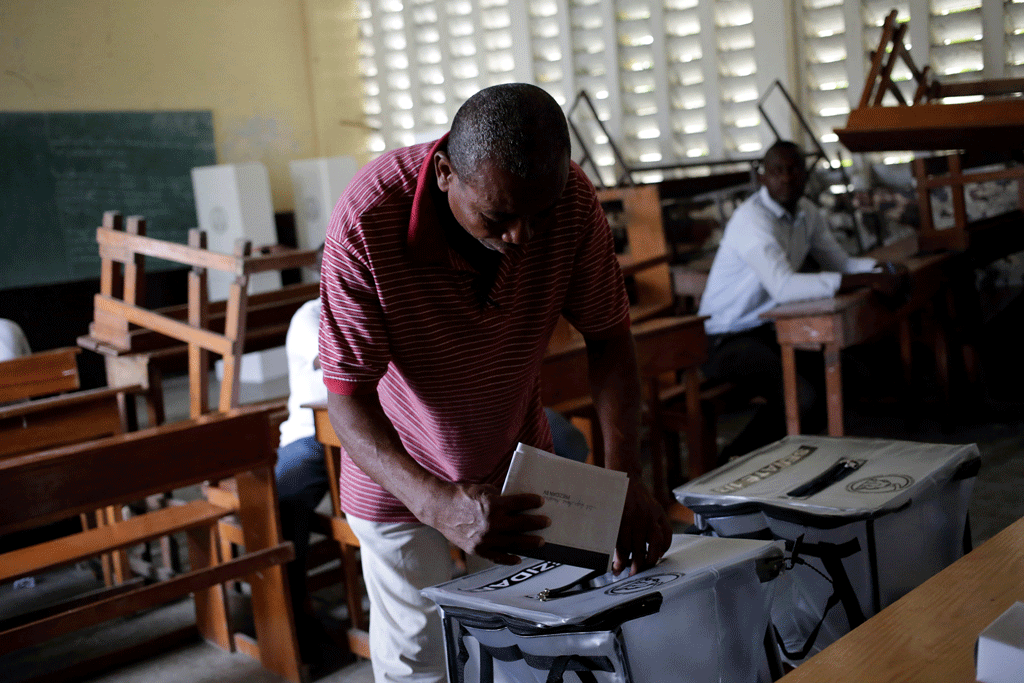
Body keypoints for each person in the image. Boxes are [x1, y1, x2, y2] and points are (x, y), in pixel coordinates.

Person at [318, 83, 671, 683]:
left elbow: (610, 340)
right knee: (419, 660)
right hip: (399, 478)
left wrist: (624, 482)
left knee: (541, 641)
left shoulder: (570, 202)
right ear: (445, 174)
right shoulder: (368, 218)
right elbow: (346, 398)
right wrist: (435, 503)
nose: (521, 239)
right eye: (499, 217)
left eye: (539, 215)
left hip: (517, 466)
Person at [698, 140, 908, 461]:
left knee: (849, 375)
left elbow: (841, 263)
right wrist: (868, 279)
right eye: (776, 171)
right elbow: (783, 287)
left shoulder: (807, 212)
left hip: (767, 331)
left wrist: (883, 269)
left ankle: (791, 458)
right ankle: (736, 459)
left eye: (793, 169)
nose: (786, 178)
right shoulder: (752, 221)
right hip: (724, 339)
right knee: (803, 397)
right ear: (763, 177)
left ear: (806, 173)